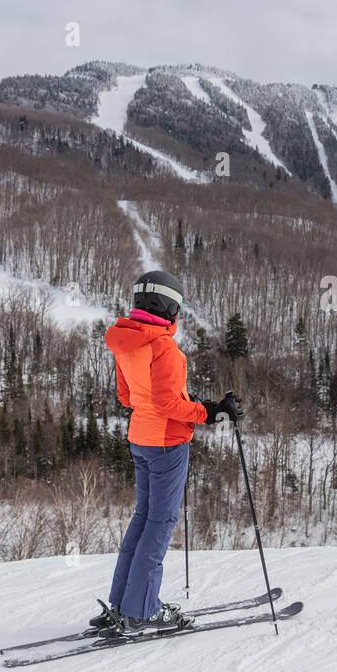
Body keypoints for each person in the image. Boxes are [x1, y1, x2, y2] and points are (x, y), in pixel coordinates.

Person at [91, 269, 242, 635]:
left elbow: (128, 397)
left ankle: (122, 603)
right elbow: (169, 404)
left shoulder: (126, 343)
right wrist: (209, 412)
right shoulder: (165, 350)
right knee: (159, 523)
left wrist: (199, 406)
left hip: (140, 438)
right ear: (169, 306)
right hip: (166, 444)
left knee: (143, 519)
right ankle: (141, 610)